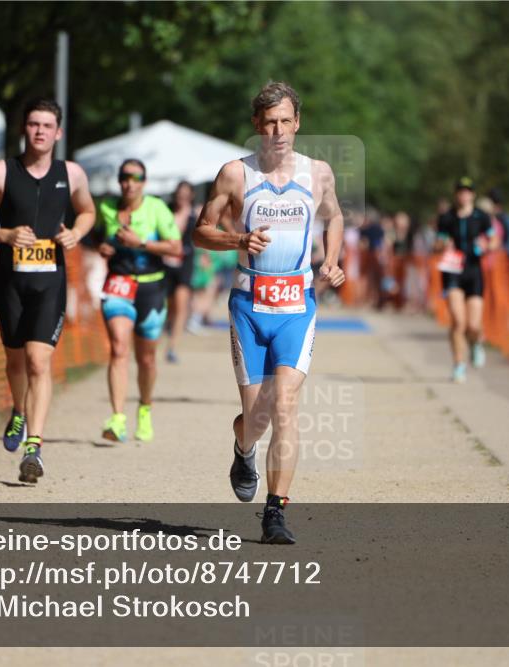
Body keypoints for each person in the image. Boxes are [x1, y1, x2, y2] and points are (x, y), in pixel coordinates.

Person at [193, 81, 345, 544]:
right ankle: (243, 449)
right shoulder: (235, 174)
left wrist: (332, 259)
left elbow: (334, 216)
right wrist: (238, 240)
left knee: (286, 405)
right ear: (257, 125)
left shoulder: (318, 173)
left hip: (297, 305)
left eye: (286, 121)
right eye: (270, 122)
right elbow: (201, 231)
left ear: (298, 123)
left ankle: (276, 511)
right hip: (249, 305)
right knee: (255, 417)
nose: (278, 131)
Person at [0, 98, 96, 483]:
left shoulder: (72, 174)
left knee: (39, 361)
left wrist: (77, 233)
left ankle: (33, 447)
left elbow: (87, 211)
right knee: (16, 360)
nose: (40, 131)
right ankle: (18, 410)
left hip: (50, 280)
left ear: (58, 132)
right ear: (25, 129)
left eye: (47, 125)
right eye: (33, 124)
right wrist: (3, 233)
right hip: (9, 280)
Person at [97, 159, 183, 443]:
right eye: (124, 177)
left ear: (143, 182)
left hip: (151, 288)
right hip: (118, 284)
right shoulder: (106, 208)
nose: (129, 183)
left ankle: (144, 408)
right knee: (119, 348)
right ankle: (118, 417)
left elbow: (176, 248)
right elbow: (96, 237)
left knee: (146, 358)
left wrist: (141, 244)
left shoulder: (156, 208)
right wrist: (105, 245)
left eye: (135, 178)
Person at [435, 176, 498, 383]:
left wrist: (487, 246)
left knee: (473, 325)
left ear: (473, 194)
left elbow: (494, 239)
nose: (464, 194)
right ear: (456, 194)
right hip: (452, 271)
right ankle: (458, 364)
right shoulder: (446, 217)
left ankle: (476, 343)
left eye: (467, 191)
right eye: (460, 191)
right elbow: (438, 242)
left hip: (473, 272)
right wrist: (443, 245)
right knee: (458, 322)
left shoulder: (482, 217)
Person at [164, 181, 198, 363]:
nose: (182, 197)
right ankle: (166, 330)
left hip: (185, 264)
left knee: (180, 305)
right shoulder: (165, 212)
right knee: (169, 305)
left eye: (186, 194)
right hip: (165, 264)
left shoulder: (195, 214)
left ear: (191, 195)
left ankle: (172, 346)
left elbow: (202, 237)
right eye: (179, 193)